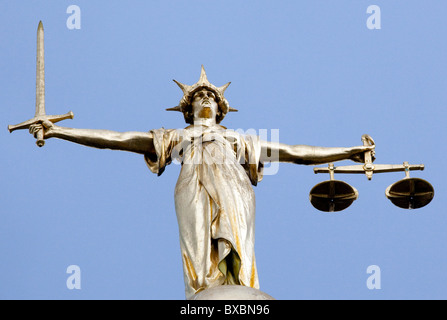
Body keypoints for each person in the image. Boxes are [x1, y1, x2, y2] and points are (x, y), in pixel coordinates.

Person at [30, 66, 374, 299]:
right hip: (192, 188)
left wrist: (347, 152)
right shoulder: (177, 137)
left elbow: (295, 152)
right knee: (199, 250)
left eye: (211, 97)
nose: (206, 99)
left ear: (221, 109)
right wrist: (61, 131)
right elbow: (119, 138)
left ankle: (238, 286)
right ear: (189, 107)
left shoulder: (239, 141)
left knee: (238, 244)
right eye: (199, 97)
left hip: (235, 189)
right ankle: (205, 290)